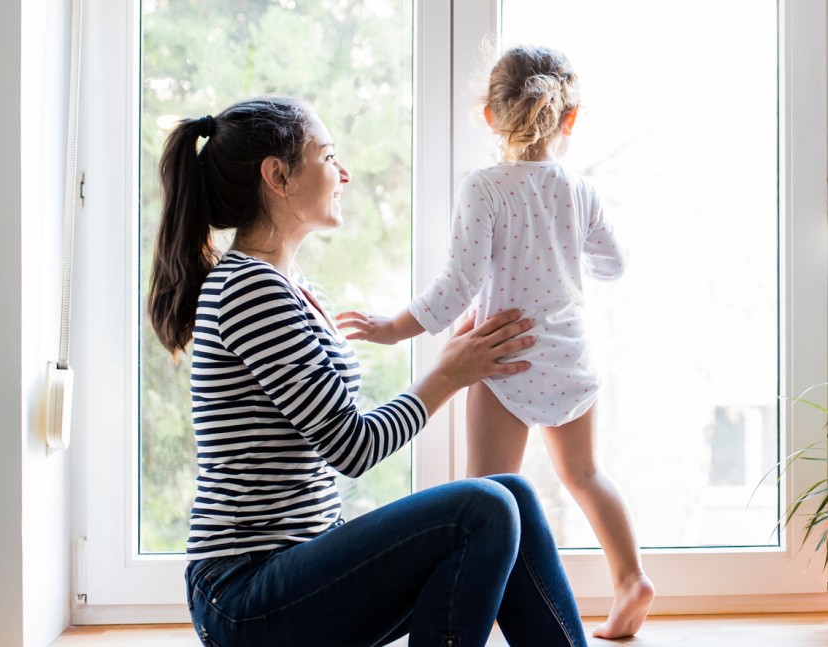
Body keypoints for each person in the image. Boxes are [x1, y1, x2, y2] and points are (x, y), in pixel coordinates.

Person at [146, 96, 587, 647]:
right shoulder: (248, 290)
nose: (344, 173)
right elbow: (351, 448)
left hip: (296, 568)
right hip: (244, 597)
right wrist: (447, 375)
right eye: (329, 157)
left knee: (510, 494)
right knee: (485, 507)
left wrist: (455, 364)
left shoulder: (293, 286)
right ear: (277, 175)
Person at [341, 45, 654, 639]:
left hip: (502, 358)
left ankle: (472, 621)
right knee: (586, 475)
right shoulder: (577, 190)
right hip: (570, 357)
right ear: (571, 119)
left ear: (489, 115)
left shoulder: (483, 189)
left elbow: (455, 287)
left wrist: (390, 328)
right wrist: (565, 251)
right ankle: (630, 578)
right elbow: (614, 264)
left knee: (485, 500)